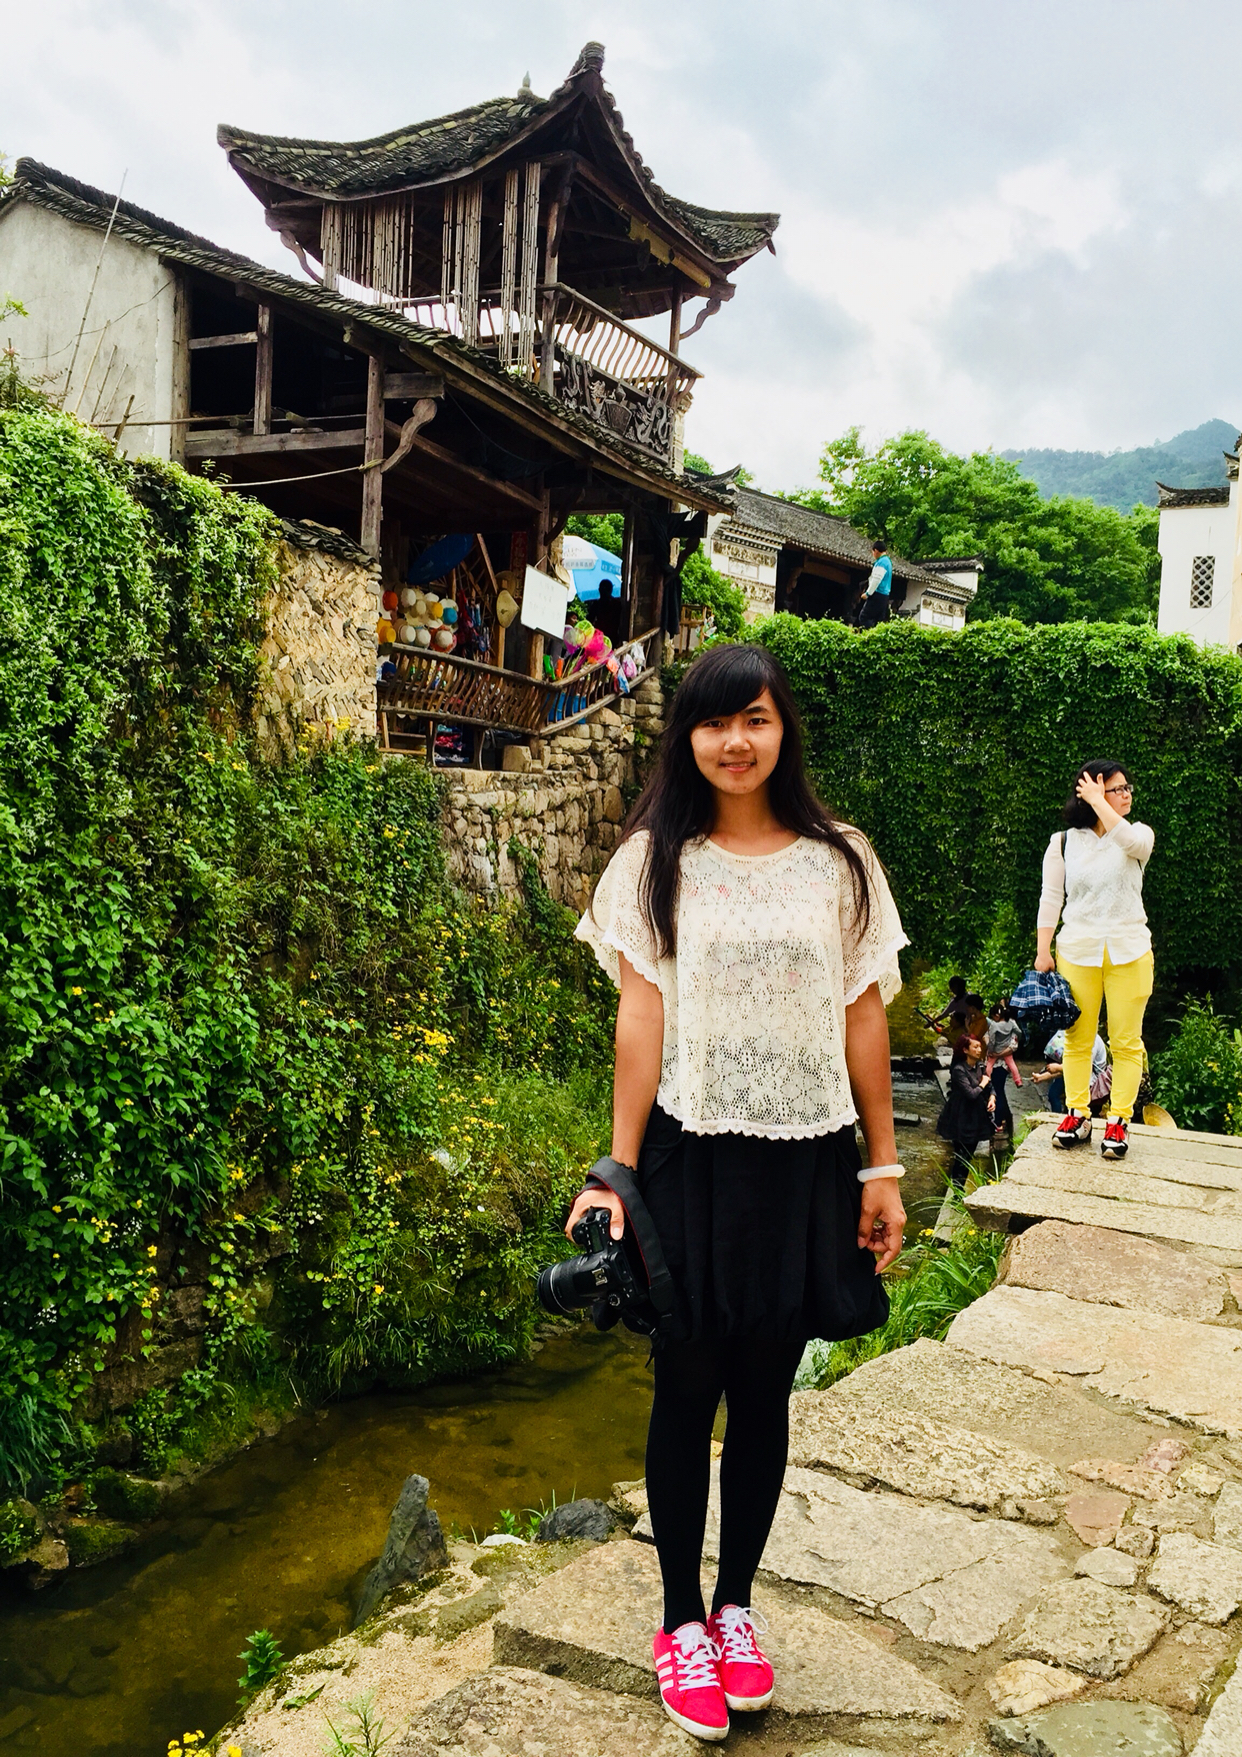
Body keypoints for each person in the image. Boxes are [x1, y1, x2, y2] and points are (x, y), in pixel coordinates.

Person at [572, 643, 907, 1742]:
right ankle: (679, 1620)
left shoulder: (840, 862)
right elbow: (641, 1018)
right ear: (688, 737)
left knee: (766, 1390)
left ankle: (736, 1607)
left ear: (782, 729)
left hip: (806, 1156)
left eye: (755, 719)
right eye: (715, 722)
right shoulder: (654, 863)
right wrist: (616, 1171)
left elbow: (863, 1013)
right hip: (689, 1154)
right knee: (687, 1383)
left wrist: (881, 1165)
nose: (735, 741)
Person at [1034, 760, 1154, 1160]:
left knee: (1126, 1042)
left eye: (1127, 788)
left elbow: (1130, 842)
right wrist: (1043, 950)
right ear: (1093, 794)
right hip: (1077, 951)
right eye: (1118, 789)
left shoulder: (1138, 834)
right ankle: (1077, 1115)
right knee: (1077, 1039)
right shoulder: (1063, 842)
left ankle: (1118, 1121)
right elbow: (1052, 896)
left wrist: (1100, 801)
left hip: (1130, 951)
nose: (1127, 794)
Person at [935, 1033, 997, 1184]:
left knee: (969, 1155)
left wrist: (992, 1098)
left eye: (980, 1046)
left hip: (977, 1116)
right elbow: (971, 1094)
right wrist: (983, 1083)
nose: (979, 1050)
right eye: (975, 1047)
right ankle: (957, 1188)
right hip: (961, 1117)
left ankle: (959, 1186)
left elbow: (991, 1087)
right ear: (965, 1050)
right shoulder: (959, 1070)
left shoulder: (980, 1066)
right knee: (961, 1156)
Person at [858, 540, 892, 628]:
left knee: (864, 617)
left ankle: (869, 633)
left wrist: (867, 593)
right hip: (884, 596)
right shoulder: (887, 561)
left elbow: (876, 579)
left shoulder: (882, 562)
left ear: (876, 551)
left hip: (877, 594)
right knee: (878, 621)